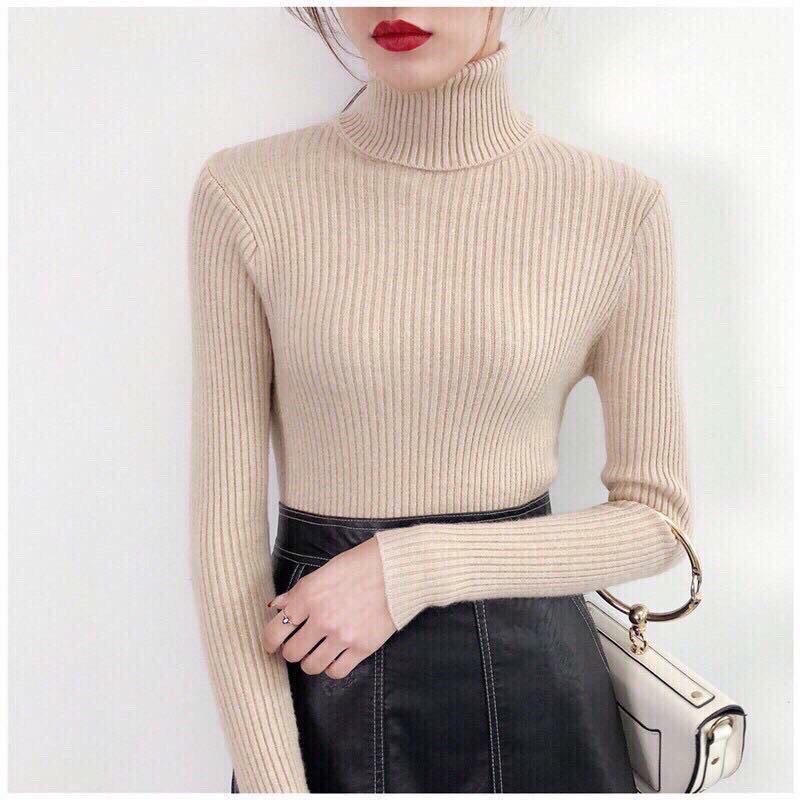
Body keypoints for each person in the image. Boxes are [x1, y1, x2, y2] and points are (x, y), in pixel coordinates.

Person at [188, 7, 692, 794]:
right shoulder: (246, 195)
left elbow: (659, 521)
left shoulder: (619, 209)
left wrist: (414, 568)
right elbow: (224, 546)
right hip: (325, 702)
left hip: (542, 706)